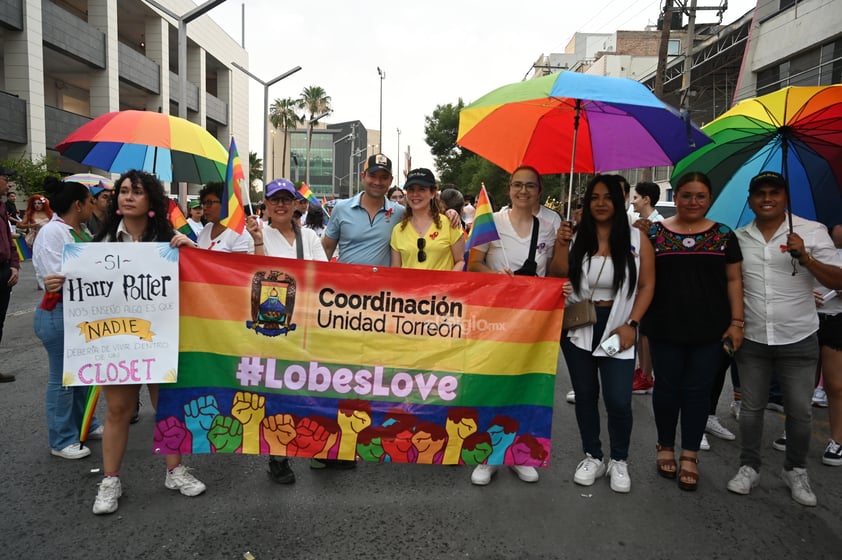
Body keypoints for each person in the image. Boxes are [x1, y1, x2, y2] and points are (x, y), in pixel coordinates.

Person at [43, 170, 205, 514]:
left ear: (152, 202)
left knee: (167, 409)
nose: (128, 196)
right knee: (118, 410)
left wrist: (192, 251)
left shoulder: (171, 242)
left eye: (137, 191)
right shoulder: (97, 246)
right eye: (124, 191)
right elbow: (84, 292)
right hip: (118, 343)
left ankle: (175, 470)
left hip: (161, 339)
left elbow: (202, 281)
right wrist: (60, 283)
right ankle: (110, 479)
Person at [727, 171, 842, 507]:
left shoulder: (811, 231)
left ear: (784, 197)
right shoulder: (739, 237)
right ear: (750, 199)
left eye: (774, 192)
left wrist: (806, 258)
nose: (767, 198)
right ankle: (749, 466)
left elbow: (839, 278)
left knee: (800, 412)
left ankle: (795, 469)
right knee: (751, 410)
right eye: (760, 193)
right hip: (754, 338)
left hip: (799, 336)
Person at [550, 174, 654, 494]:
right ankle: (592, 455)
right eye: (594, 197)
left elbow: (648, 285)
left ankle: (618, 459)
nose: (600, 203)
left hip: (618, 327)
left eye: (607, 196)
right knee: (585, 395)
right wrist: (562, 243)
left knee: (618, 399)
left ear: (621, 200)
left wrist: (632, 325)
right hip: (581, 325)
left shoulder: (637, 241)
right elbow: (556, 275)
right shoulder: (577, 235)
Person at [642, 171, 743, 492]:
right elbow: (642, 280)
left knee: (698, 391)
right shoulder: (654, 234)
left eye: (700, 196)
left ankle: (689, 454)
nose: (693, 201)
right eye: (686, 195)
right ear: (677, 197)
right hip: (665, 327)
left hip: (710, 330)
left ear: (709, 199)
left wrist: (737, 322)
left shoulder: (724, 235)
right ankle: (665, 447)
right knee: (667, 389)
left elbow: (734, 281)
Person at [468, 165, 563, 486]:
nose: (523, 191)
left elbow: (550, 274)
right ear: (509, 189)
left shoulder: (549, 228)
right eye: (517, 185)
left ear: (539, 190)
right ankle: (489, 454)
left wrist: (559, 285)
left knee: (527, 385)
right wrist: (495, 277)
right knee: (491, 385)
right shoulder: (490, 222)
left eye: (530, 186)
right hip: (493, 319)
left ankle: (520, 452)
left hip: (533, 323)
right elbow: (473, 265)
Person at [244, 178, 327, 483]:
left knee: (311, 387)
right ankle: (278, 456)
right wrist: (255, 241)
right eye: (274, 199)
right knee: (277, 391)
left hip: (305, 323)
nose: (280, 205)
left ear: (295, 204)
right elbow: (251, 276)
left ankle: (317, 448)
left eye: (286, 199)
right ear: (264, 204)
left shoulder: (309, 238)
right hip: (270, 327)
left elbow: (323, 275)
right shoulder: (253, 234)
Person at [33, 177, 103, 459]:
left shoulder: (80, 230)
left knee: (81, 375)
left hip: (79, 315)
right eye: (89, 201)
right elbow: (58, 277)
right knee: (63, 378)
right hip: (58, 312)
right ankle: (61, 439)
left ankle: (85, 423)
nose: (93, 205)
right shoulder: (53, 233)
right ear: (78, 204)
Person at [390, 169, 464, 271]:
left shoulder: (450, 223)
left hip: (442, 286)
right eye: (411, 189)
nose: (415, 194)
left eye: (421, 189)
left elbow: (460, 261)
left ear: (433, 192)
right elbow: (396, 270)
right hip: (409, 286)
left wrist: (446, 285)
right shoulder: (398, 230)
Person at [629, 182, 664, 396]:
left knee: (647, 332)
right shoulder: (638, 223)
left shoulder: (658, 224)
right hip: (639, 284)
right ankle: (642, 371)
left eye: (636, 197)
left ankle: (647, 375)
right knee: (641, 330)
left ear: (646, 199)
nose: (633, 201)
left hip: (653, 285)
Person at [0, 166, 21, 383]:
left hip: (4, 271)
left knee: (0, 321)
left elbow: (9, 241)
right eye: (6, 179)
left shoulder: (3, 207)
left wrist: (14, 265)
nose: (9, 185)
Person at [196, 182, 251, 253]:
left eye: (209, 203)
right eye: (203, 203)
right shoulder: (206, 228)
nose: (205, 207)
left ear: (225, 203)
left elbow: (238, 263)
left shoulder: (239, 233)